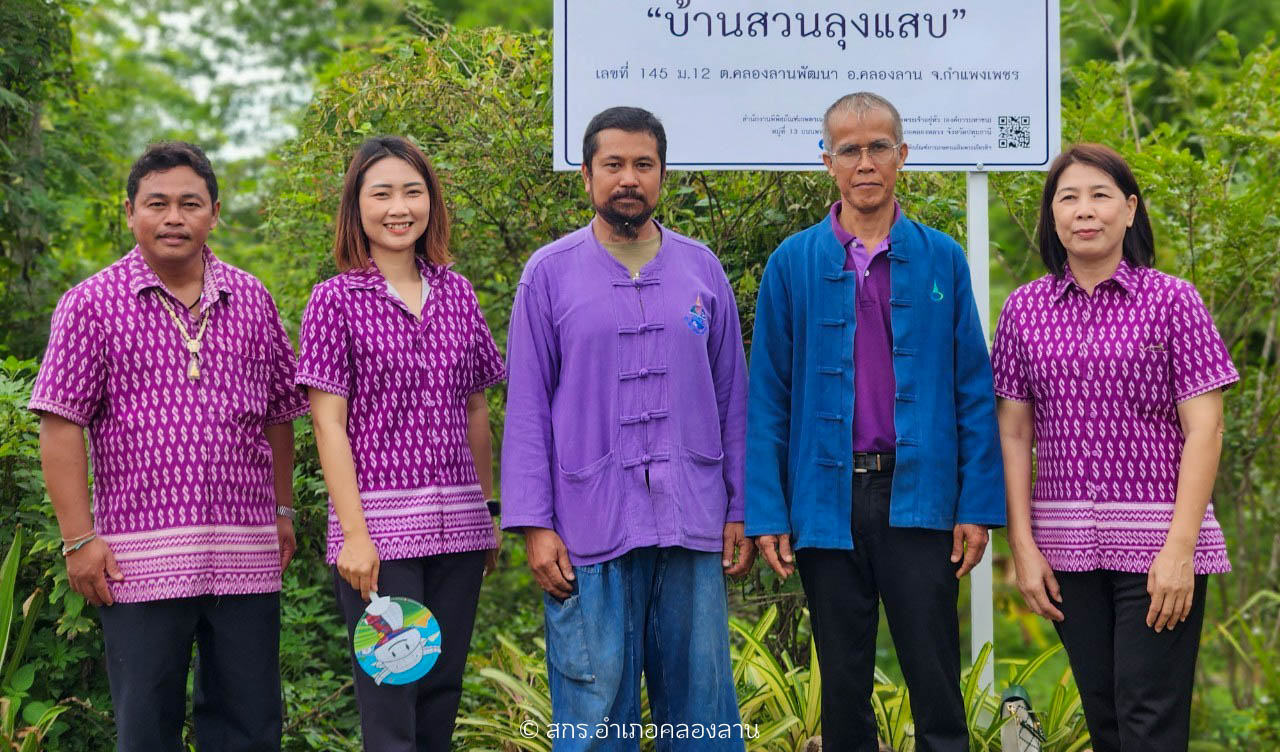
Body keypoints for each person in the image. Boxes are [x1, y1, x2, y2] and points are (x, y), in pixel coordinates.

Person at [747, 92, 1005, 752]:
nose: (866, 162)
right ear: (827, 161)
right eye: (850, 150)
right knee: (842, 686)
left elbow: (973, 389)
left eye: (879, 147)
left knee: (936, 677)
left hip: (918, 500)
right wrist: (769, 511)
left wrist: (975, 504)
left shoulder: (942, 258)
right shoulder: (792, 263)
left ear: (902, 156)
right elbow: (769, 399)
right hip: (825, 505)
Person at [29, 141, 308, 752]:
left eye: (189, 203)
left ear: (215, 213)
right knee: (145, 729)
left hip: (244, 554)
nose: (173, 217)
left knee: (250, 725)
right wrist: (79, 539)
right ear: (129, 212)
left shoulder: (252, 299)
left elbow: (281, 414)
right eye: (157, 203)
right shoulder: (91, 305)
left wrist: (283, 511)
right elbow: (59, 424)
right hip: (136, 563)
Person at [501, 106, 754, 750]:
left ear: (663, 176)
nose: (628, 179)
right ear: (587, 175)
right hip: (588, 523)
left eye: (643, 165)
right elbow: (527, 405)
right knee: (593, 714)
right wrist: (536, 525)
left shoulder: (702, 271)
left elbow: (733, 398)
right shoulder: (548, 274)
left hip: (691, 520)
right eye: (613, 164)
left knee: (700, 712)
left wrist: (739, 508)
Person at [991, 143, 1237, 752]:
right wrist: (1022, 545)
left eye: (1100, 196)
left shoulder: (1173, 300)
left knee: (1148, 721)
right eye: (1068, 198)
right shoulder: (1024, 310)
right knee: (1104, 720)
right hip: (1067, 551)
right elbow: (1015, 431)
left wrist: (1180, 550)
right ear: (1053, 216)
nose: (1085, 211)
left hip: (1160, 548)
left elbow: (1206, 429)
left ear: (1130, 210)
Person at [295, 135, 504, 752]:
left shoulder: (458, 293)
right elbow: (327, 424)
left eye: (412, 191)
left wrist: (486, 513)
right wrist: (354, 536)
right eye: (381, 192)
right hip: (380, 540)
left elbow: (476, 409)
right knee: (392, 704)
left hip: (460, 532)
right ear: (356, 207)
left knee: (441, 695)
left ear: (431, 202)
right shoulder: (335, 300)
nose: (398, 207)